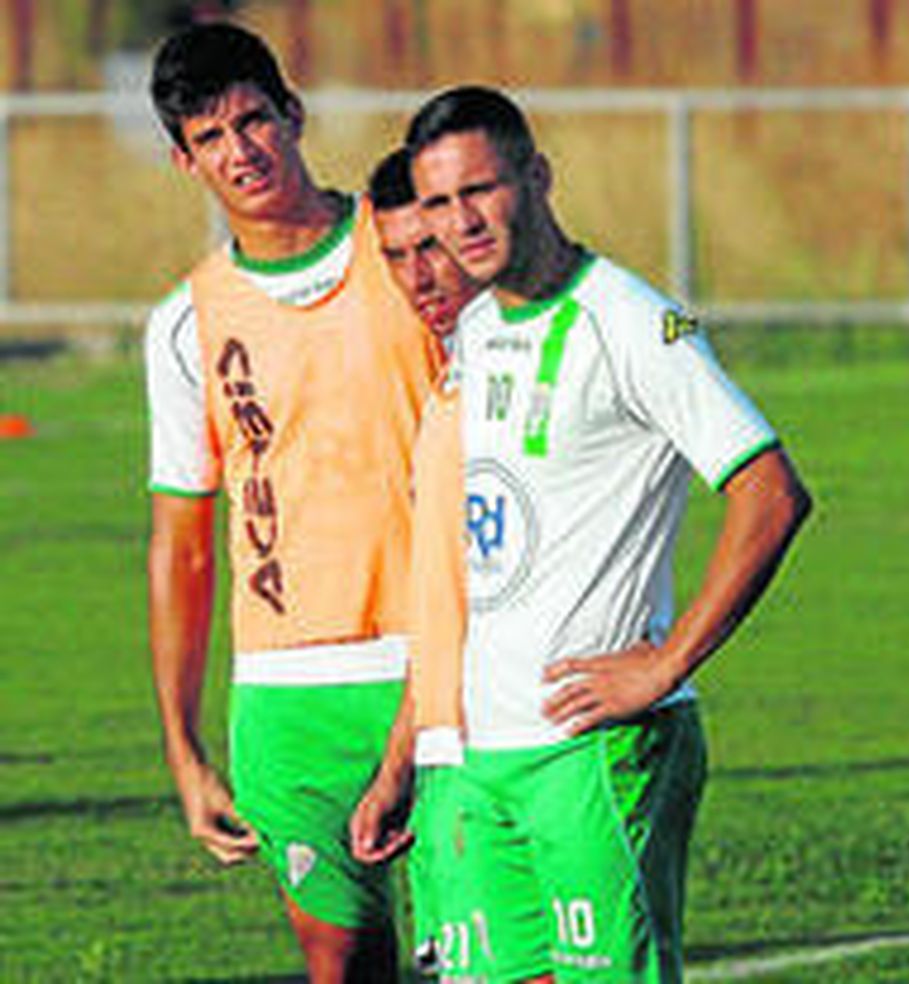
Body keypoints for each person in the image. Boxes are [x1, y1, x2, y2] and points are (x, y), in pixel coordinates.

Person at [404, 86, 812, 981]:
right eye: (437, 202)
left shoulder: (634, 322)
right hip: (480, 752)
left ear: (537, 176)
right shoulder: (475, 326)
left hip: (595, 748)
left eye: (481, 189)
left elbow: (772, 492)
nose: (461, 222)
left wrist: (667, 664)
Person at [144, 24, 440, 981]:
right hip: (286, 696)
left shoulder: (410, 250)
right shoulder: (184, 324)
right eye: (210, 137)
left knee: (482, 956)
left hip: (440, 667)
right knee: (341, 966)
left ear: (293, 114)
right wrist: (185, 750)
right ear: (184, 161)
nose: (241, 151)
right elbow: (183, 548)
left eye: (253, 120)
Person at [352, 147, 487, 977]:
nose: (416, 278)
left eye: (429, 248)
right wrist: (401, 764)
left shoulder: (555, 353)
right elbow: (444, 607)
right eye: (395, 256)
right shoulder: (447, 385)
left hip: (534, 752)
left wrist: (664, 662)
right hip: (448, 758)